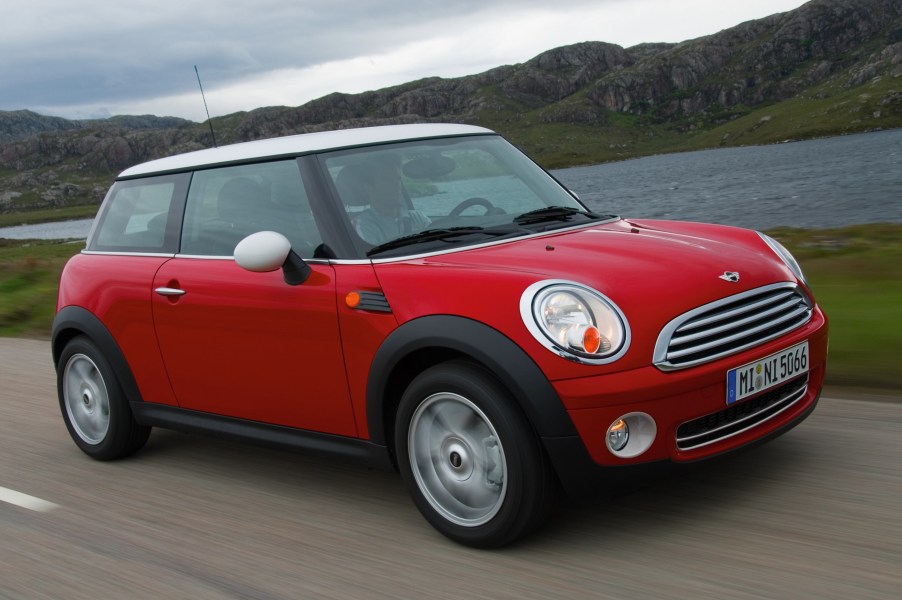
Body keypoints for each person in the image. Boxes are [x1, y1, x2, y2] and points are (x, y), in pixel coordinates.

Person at [336, 159, 431, 245]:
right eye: (387, 180)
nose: (396, 185)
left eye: (398, 179)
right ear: (369, 188)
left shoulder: (418, 218)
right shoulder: (363, 226)